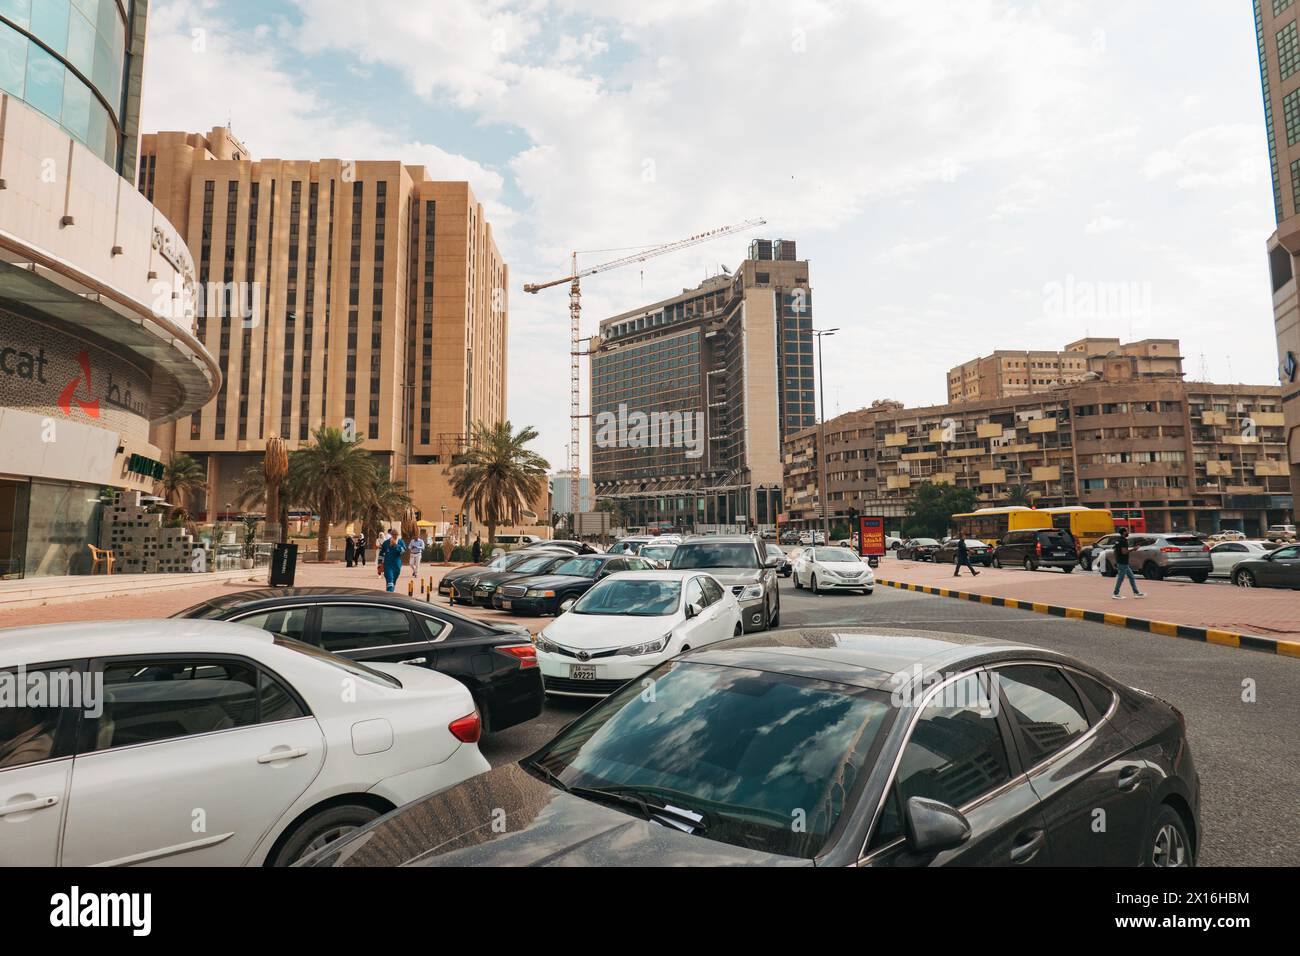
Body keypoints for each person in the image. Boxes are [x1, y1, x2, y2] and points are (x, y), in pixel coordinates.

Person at [1111, 528, 1144, 599]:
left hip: (1122, 562)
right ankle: (1115, 593)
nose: (1128, 532)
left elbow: (1115, 551)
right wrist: (1134, 549)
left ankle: (1136, 592)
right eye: (1126, 531)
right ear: (1123, 532)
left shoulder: (1118, 540)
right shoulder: (1123, 541)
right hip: (1123, 562)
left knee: (1131, 577)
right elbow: (1124, 552)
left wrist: (1116, 560)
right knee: (1121, 578)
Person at [377, 528, 407, 592]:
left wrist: (396, 545)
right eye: (393, 534)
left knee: (393, 582)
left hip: (397, 565)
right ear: (391, 534)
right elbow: (381, 554)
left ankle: (390, 592)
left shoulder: (400, 542)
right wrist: (379, 564)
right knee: (390, 581)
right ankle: (389, 596)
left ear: (398, 535)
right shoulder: (386, 543)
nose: (395, 536)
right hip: (388, 565)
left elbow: (403, 551)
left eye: (396, 534)